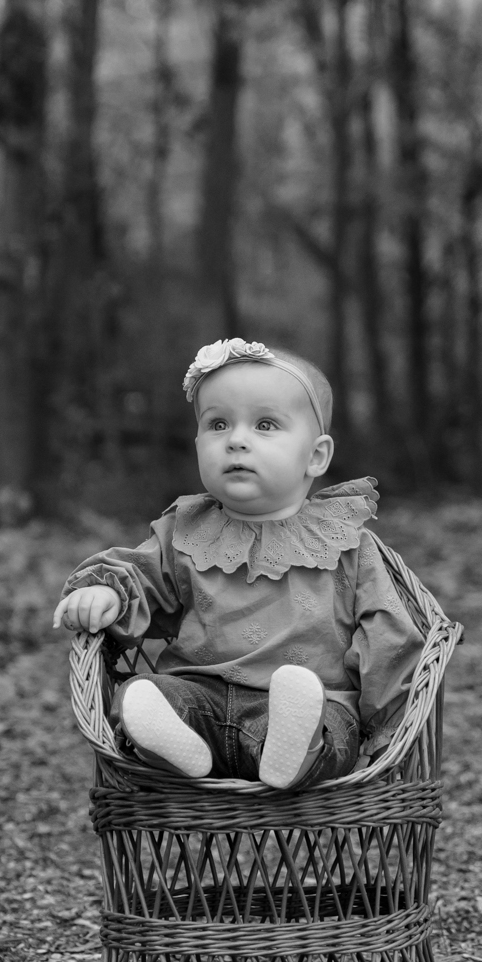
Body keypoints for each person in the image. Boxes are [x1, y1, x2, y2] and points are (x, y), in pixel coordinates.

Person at [52, 338, 426, 790]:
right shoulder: (185, 532)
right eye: (218, 424)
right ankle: (176, 747)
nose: (236, 440)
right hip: (200, 696)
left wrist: (386, 728)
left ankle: (295, 752)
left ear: (316, 456)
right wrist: (106, 591)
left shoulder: (345, 542)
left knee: (327, 727)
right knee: (142, 696)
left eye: (265, 424)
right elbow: (142, 575)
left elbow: (387, 634)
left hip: (312, 701)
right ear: (197, 442)